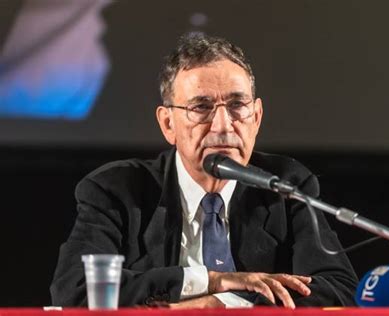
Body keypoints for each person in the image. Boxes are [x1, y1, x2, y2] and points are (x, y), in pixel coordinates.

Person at [50, 33, 357, 308]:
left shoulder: (285, 186)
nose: (223, 126)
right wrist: (210, 281)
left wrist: (220, 305)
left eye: (237, 105)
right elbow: (76, 291)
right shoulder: (118, 189)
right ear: (168, 124)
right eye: (201, 107)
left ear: (257, 117)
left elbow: (338, 289)